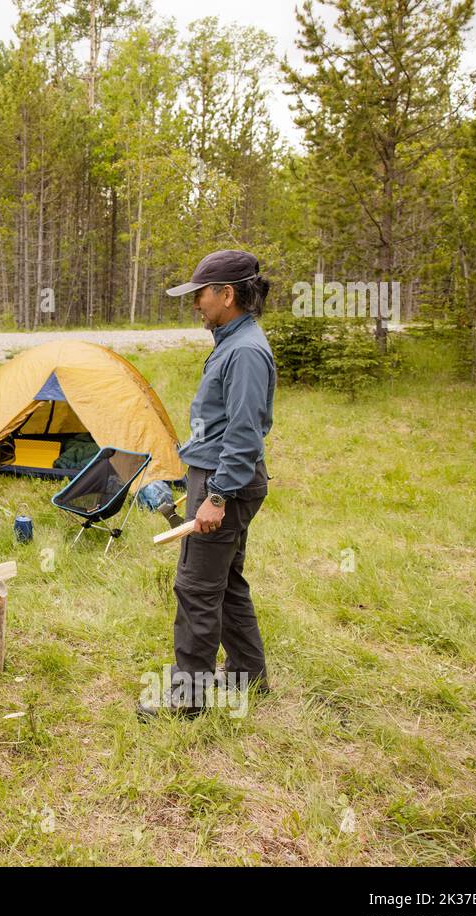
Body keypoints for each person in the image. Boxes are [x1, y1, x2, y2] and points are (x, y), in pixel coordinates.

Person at [138, 250, 276, 721]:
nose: (196, 303)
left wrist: (215, 496)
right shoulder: (232, 341)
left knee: (197, 586)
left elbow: (243, 434)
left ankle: (186, 698)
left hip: (225, 486)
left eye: (200, 294)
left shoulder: (245, 352)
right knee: (227, 583)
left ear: (227, 294)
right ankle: (247, 675)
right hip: (218, 479)